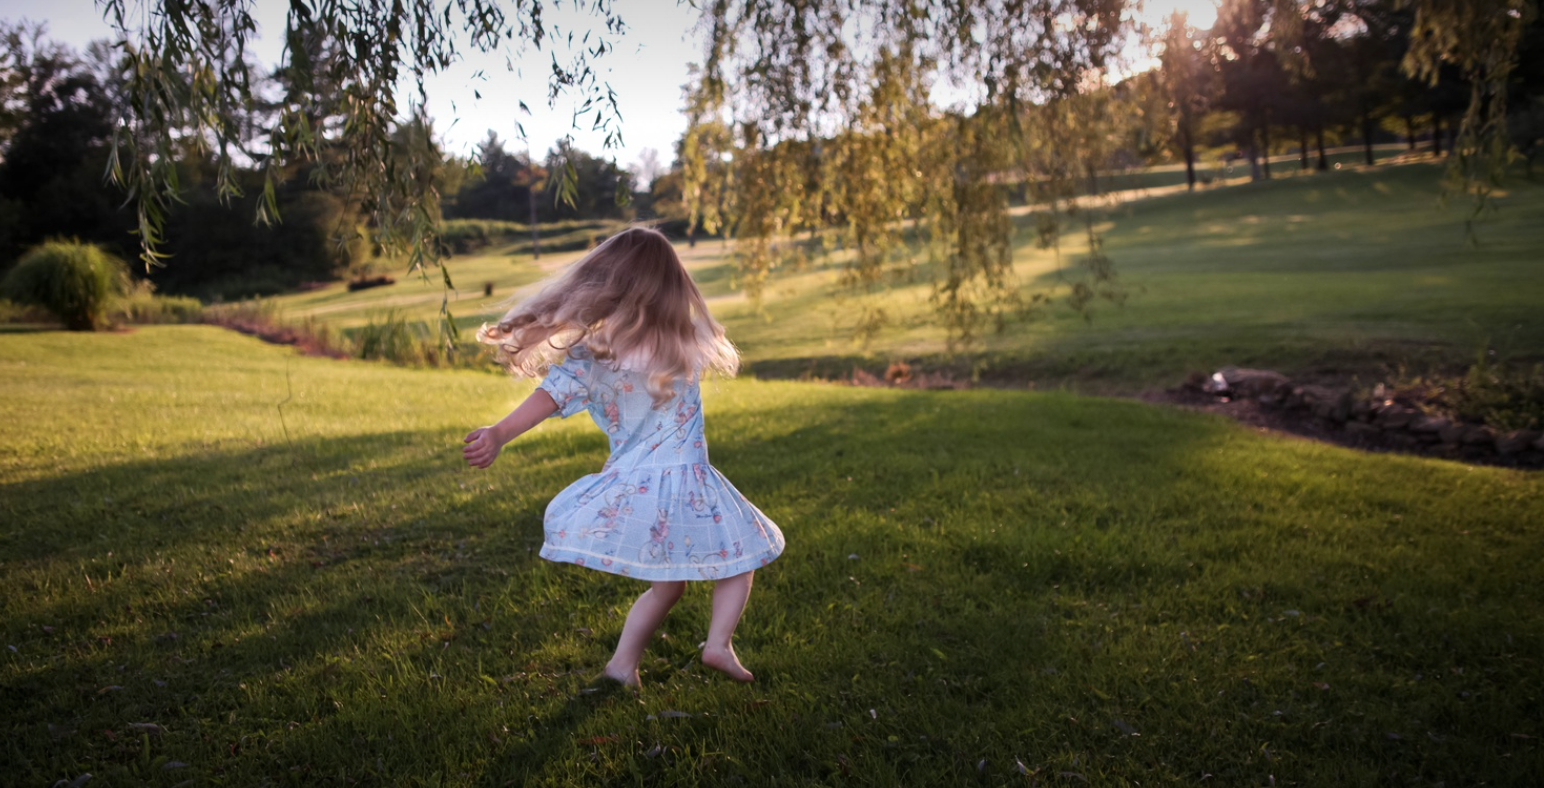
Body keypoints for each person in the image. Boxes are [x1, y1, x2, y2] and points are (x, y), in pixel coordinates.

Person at [461, 226, 785, 687]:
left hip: (635, 483)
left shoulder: (595, 356)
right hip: (690, 480)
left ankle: (622, 666)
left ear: (605, 287)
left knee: (667, 585)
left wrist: (499, 433)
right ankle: (717, 644)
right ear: (672, 286)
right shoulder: (686, 342)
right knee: (742, 556)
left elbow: (547, 397)